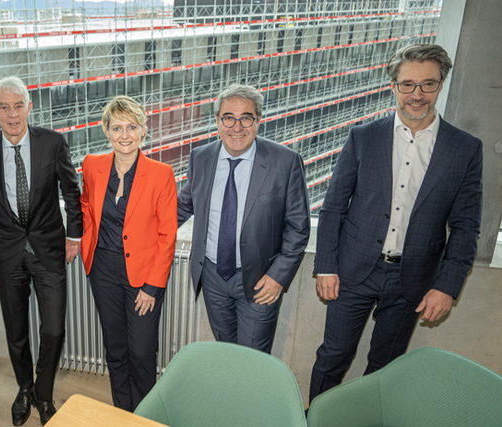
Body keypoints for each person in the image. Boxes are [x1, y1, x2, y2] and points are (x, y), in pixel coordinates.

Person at [309, 43, 483, 402]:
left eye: (428, 84)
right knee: (333, 356)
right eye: (407, 84)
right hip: (352, 271)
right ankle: (317, 420)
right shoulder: (363, 138)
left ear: (442, 83)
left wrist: (447, 287)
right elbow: (334, 207)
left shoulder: (465, 149)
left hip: (414, 279)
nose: (416, 94)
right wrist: (325, 265)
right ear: (393, 85)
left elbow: (466, 227)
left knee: (385, 367)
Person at [0, 76, 82, 426]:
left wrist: (74, 236)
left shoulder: (52, 142)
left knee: (53, 330)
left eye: (18, 105)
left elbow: (71, 191)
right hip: (8, 254)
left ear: (29, 107)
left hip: (49, 249)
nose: (12, 113)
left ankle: (44, 393)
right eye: (3, 107)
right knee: (17, 332)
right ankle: (24, 388)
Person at [177, 84, 310, 353]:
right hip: (213, 277)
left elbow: (298, 228)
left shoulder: (285, 161)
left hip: (260, 280)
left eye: (246, 118)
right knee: (226, 351)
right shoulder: (200, 157)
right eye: (228, 118)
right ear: (217, 121)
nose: (237, 127)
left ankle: (251, 396)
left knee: (253, 358)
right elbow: (182, 206)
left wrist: (277, 277)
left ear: (258, 120)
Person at [80, 96, 178, 411]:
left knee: (141, 351)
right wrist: (85, 244)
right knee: (115, 348)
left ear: (143, 131)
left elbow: (167, 235)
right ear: (106, 131)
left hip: (144, 275)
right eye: (118, 128)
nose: (125, 135)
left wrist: (152, 286)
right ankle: (123, 412)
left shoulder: (161, 174)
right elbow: (85, 206)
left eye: (132, 127)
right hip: (103, 269)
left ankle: (144, 414)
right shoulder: (92, 165)